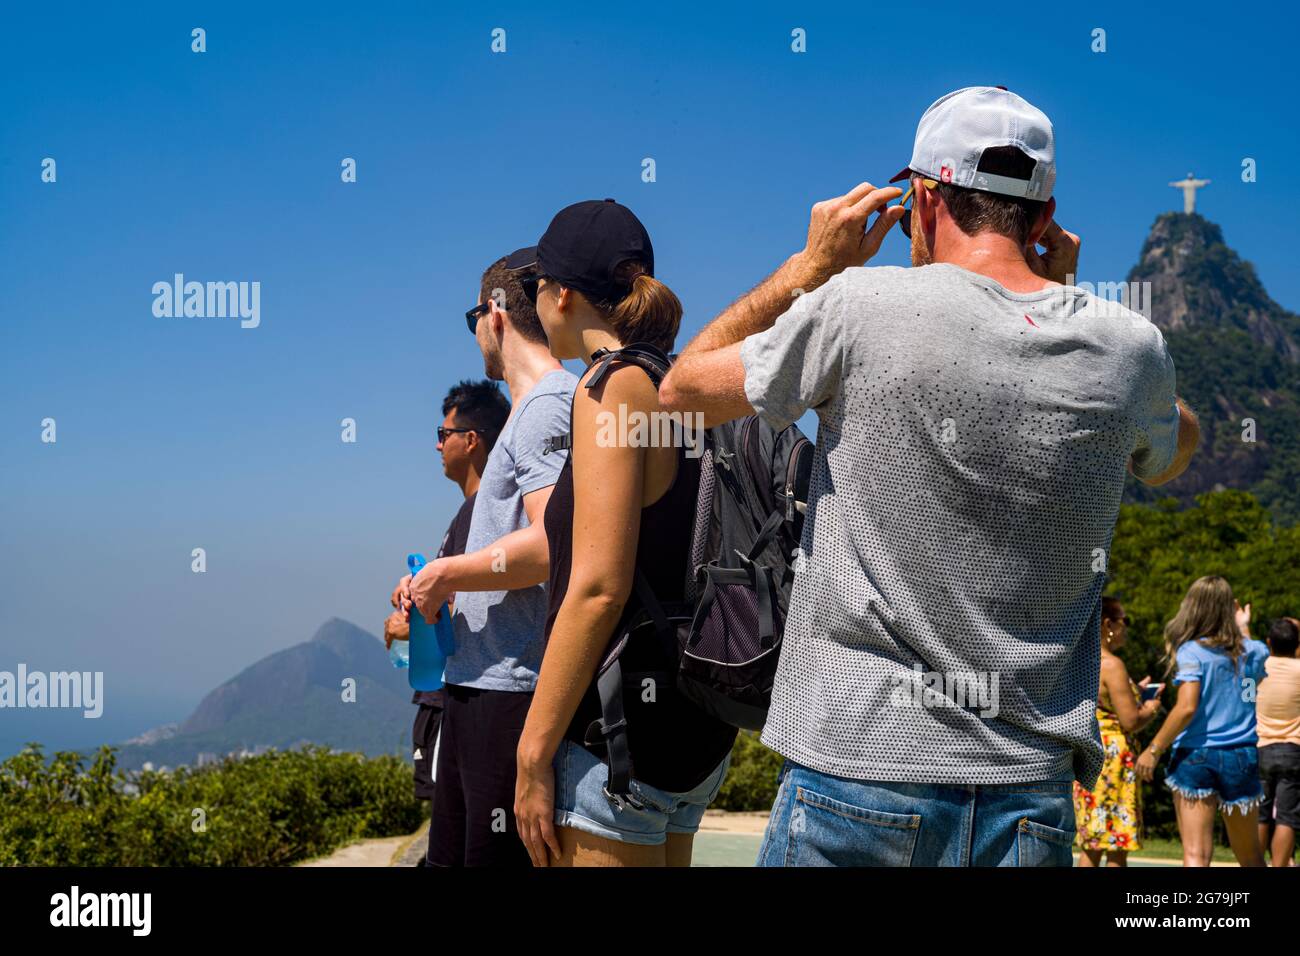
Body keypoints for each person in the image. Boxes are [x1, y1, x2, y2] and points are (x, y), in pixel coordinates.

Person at [659, 86, 1200, 867]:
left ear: (922, 198)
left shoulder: (857, 306)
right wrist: (1071, 304)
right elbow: (1177, 442)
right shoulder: (1129, 348)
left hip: (858, 771)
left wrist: (807, 268)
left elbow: (681, 391)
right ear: (1043, 219)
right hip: (1033, 803)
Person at [509, 200, 736, 867]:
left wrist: (531, 753)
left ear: (562, 295)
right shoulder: (682, 386)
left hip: (618, 741)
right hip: (694, 727)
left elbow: (599, 588)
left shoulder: (609, 387)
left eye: (535, 288)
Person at [400, 253, 577, 867]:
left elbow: (555, 545)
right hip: (478, 684)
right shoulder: (535, 412)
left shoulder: (549, 405)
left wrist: (447, 573)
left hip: (510, 691)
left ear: (495, 315)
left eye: (474, 316)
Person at [384, 379, 510, 865]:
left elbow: (472, 608)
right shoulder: (471, 514)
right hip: (456, 697)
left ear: (471, 440)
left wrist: (410, 621)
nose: (437, 444)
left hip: (460, 700)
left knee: (455, 840)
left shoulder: (484, 514)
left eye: (444, 433)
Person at [1136, 576, 1269, 867]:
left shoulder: (1191, 652)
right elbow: (1251, 669)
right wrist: (1244, 625)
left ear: (1193, 607)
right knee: (1251, 856)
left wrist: (1154, 749)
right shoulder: (1254, 651)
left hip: (1196, 755)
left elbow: (1186, 707)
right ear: (1229, 609)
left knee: (1196, 855)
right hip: (1241, 755)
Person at [1072, 598, 1161, 866]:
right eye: (1124, 621)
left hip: (1089, 754)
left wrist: (1134, 687)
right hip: (1115, 759)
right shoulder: (1112, 665)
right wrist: (1151, 707)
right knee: (1116, 844)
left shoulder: (1079, 659)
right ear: (1108, 624)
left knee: (1092, 842)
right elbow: (1131, 720)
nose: (1126, 629)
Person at [1256, 616, 1300, 866]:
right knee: (1287, 818)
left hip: (1261, 747)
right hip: (1293, 748)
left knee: (1260, 815)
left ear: (1269, 642)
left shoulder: (1256, 669)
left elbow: (1246, 699)